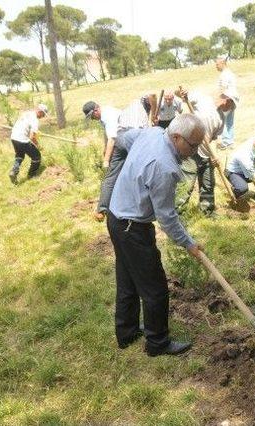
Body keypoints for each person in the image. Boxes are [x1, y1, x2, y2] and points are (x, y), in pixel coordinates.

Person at [107, 114, 206, 356]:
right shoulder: (165, 167)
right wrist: (189, 244)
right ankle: (157, 343)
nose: (194, 152)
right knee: (155, 289)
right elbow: (167, 217)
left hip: (115, 218)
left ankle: (127, 332)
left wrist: (125, 166)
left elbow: (123, 140)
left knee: (128, 281)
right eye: (192, 146)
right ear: (175, 137)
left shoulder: (151, 133)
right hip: (133, 229)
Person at [84, 97, 153, 220]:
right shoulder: (106, 113)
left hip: (125, 138)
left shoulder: (107, 115)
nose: (93, 119)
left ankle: (103, 209)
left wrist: (106, 160)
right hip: (131, 138)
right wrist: (105, 150)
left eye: (92, 116)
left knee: (111, 177)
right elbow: (108, 137)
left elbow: (113, 138)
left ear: (96, 110)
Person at [176, 87, 238, 215]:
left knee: (208, 184)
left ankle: (207, 211)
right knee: (187, 184)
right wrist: (181, 93)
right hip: (189, 151)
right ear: (228, 100)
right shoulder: (202, 99)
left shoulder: (221, 118)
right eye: (232, 106)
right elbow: (179, 95)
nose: (232, 110)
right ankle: (178, 214)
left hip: (206, 153)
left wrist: (214, 156)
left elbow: (213, 139)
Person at [9, 104, 48, 183]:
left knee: (20, 155)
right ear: (40, 112)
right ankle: (31, 175)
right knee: (36, 156)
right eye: (43, 115)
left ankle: (13, 171)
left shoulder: (26, 113)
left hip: (13, 137)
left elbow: (24, 126)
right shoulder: (35, 120)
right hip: (22, 139)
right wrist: (38, 146)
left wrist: (35, 132)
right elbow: (32, 137)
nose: (43, 117)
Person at [225, 134, 255, 198]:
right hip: (234, 172)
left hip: (249, 167)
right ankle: (236, 190)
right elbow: (253, 175)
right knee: (242, 189)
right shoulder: (244, 154)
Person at [215, 58, 238, 149]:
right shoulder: (230, 73)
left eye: (217, 64)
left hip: (226, 99)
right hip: (233, 99)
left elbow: (223, 88)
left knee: (223, 120)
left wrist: (218, 100)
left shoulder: (224, 75)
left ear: (222, 63)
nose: (216, 66)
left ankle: (225, 142)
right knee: (229, 121)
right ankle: (230, 142)